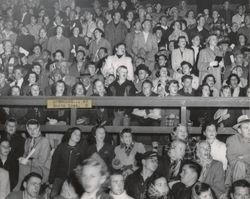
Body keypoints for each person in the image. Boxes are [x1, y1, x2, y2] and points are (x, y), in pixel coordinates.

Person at [49, 127, 86, 198]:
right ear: (70, 134)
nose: (78, 136)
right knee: (54, 195)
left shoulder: (81, 149)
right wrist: (51, 180)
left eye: (79, 135)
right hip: (60, 177)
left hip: (74, 178)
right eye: (75, 134)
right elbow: (54, 164)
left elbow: (83, 166)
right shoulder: (61, 147)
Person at [15, 119, 50, 190]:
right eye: (30, 129)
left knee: (20, 168)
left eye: (35, 129)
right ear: (27, 129)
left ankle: (16, 191)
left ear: (39, 128)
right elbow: (25, 156)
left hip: (42, 170)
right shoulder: (27, 141)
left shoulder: (44, 141)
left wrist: (27, 162)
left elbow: (41, 162)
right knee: (15, 165)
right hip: (29, 168)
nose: (32, 131)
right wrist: (21, 159)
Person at [225, 115, 250, 186]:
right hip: (236, 175)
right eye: (246, 128)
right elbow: (233, 161)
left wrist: (243, 157)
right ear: (239, 130)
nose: (249, 130)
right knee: (240, 165)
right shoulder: (232, 140)